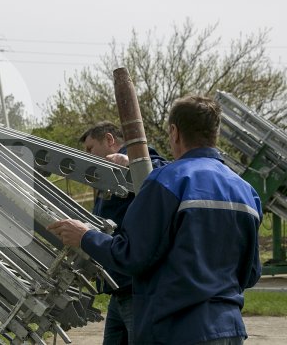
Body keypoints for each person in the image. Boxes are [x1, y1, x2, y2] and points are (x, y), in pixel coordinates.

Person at [49, 96, 262, 345]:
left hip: (176, 330)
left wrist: (85, 236)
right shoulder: (246, 191)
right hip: (230, 329)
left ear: (174, 132)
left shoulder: (168, 181)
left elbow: (133, 255)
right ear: (215, 132)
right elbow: (251, 273)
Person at [79, 121, 167, 345]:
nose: (88, 155)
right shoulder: (106, 176)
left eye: (90, 149)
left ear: (109, 140)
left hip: (136, 287)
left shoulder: (138, 160)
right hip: (118, 285)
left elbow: (165, 171)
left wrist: (131, 162)